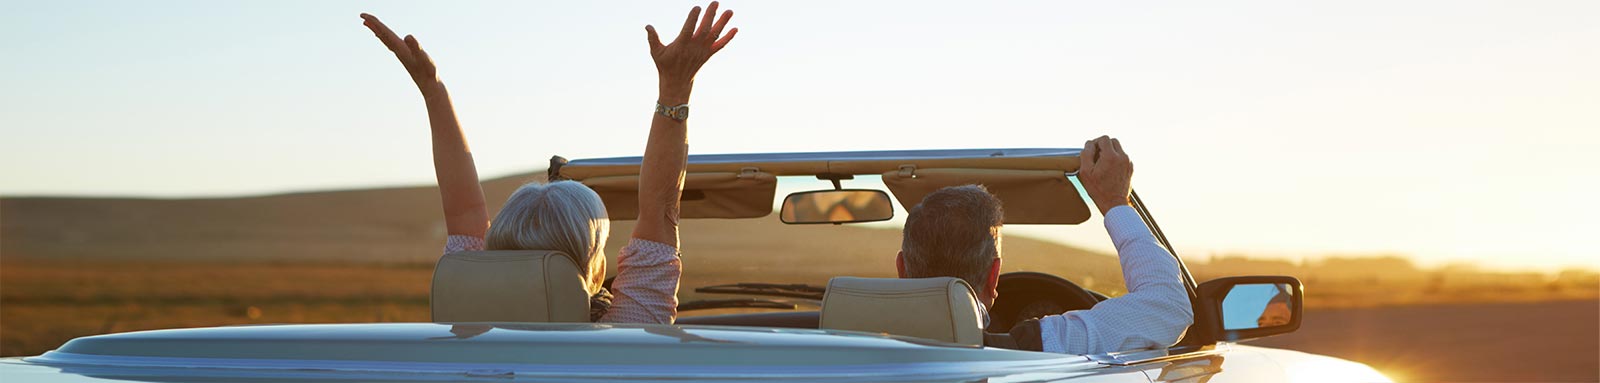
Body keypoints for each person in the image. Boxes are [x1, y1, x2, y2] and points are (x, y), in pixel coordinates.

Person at [358, 2, 738, 324]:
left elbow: (465, 211)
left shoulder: (468, 335)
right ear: (596, 274)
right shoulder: (630, 331)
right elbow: (661, 210)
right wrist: (675, 86)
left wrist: (432, 89)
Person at [896, 136, 1193, 354]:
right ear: (992, 276)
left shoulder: (851, 338)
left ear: (901, 269)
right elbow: (1168, 307)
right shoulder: (1036, 346)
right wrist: (1114, 201)